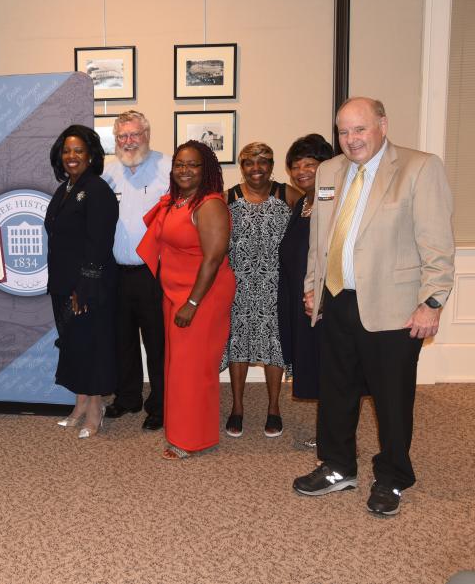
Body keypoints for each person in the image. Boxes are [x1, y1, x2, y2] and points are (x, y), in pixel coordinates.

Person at [293, 97, 455, 516]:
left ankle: (394, 476)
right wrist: (314, 287)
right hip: (338, 300)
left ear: (382, 124)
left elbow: (437, 244)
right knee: (336, 391)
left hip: (395, 307)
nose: (351, 139)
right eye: (344, 131)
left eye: (359, 129)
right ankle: (337, 465)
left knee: (391, 398)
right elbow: (319, 239)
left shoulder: (419, 168)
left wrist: (432, 302)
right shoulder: (329, 170)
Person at [137, 141, 235, 459]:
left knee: (192, 369)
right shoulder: (178, 202)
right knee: (177, 367)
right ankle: (182, 430)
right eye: (179, 164)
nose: (184, 170)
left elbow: (213, 258)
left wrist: (192, 303)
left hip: (202, 295)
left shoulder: (210, 205)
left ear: (205, 170)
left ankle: (192, 439)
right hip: (176, 292)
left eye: (193, 165)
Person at [44, 125, 119, 439]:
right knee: (73, 345)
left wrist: (84, 287)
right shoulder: (65, 189)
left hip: (88, 284)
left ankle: (95, 409)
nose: (71, 156)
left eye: (78, 150)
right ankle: (79, 404)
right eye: (66, 151)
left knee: (91, 346)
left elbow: (98, 242)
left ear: (91, 155)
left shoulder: (97, 189)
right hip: (62, 282)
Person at [223, 142, 301, 437]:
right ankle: (238, 408)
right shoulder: (228, 197)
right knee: (238, 346)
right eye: (249, 163)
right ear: (242, 167)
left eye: (263, 162)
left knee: (274, 347)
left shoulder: (287, 194)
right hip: (238, 284)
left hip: (276, 285)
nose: (256, 168)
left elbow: (310, 228)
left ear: (272, 165)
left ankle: (273, 408)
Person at [100, 110, 170, 431]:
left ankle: (160, 404)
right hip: (116, 272)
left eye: (134, 135)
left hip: (153, 273)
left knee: (157, 342)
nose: (128, 142)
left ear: (146, 135)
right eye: (122, 137)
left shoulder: (168, 168)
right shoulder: (108, 173)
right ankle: (128, 397)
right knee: (121, 340)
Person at [277, 134, 335, 447]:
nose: (301, 171)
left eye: (309, 164)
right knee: (314, 364)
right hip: (299, 297)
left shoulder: (330, 199)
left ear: (326, 165)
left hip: (321, 301)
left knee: (329, 368)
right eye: (296, 166)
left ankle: (334, 435)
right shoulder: (303, 202)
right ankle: (329, 430)